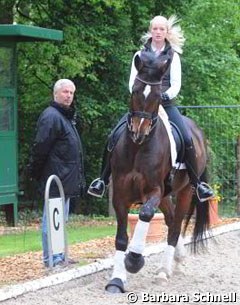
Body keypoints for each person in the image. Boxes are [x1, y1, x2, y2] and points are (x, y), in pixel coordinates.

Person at [87, 15, 214, 202]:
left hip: (165, 103)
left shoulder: (174, 56)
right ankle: (102, 181)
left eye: (162, 29)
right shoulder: (139, 55)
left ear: (166, 32)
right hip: (141, 104)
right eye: (155, 29)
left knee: (187, 138)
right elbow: (132, 81)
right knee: (113, 135)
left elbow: (176, 84)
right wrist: (141, 96)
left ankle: (197, 183)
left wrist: (163, 96)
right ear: (150, 30)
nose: (158, 32)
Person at [28, 79, 85, 267]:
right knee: (51, 221)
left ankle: (59, 256)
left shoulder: (65, 116)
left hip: (64, 179)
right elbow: (40, 147)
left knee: (60, 220)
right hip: (55, 178)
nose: (68, 95)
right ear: (56, 94)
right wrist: (34, 173)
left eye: (71, 92)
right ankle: (51, 258)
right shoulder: (51, 116)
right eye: (65, 92)